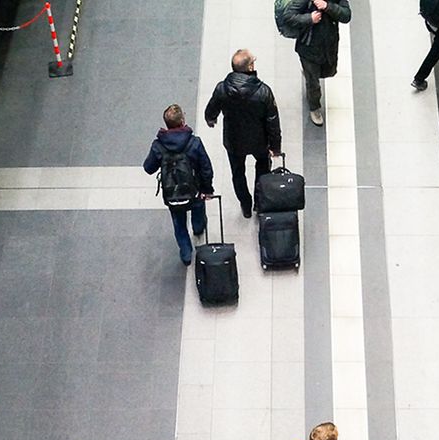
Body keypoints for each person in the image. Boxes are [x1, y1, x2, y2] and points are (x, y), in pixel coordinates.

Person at [204, 49, 283, 219]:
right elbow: (273, 121)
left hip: (234, 140)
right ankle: (259, 201)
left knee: (237, 173)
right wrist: (275, 147)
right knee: (262, 167)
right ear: (250, 67)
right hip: (259, 140)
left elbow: (211, 111)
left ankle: (245, 205)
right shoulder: (263, 92)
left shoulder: (222, 89)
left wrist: (211, 120)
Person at [143, 104, 216, 265]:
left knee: (178, 221)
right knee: (198, 210)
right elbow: (206, 168)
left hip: (172, 194)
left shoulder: (158, 146)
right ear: (182, 121)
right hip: (194, 190)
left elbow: (148, 168)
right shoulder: (194, 143)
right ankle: (198, 229)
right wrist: (207, 189)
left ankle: (186, 253)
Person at [280, 0, 352, 127]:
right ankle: (314, 107)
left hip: (328, 45)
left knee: (329, 72)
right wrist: (309, 18)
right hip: (308, 48)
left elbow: (346, 15)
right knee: (313, 83)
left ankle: (309, 74)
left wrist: (328, 6)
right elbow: (288, 16)